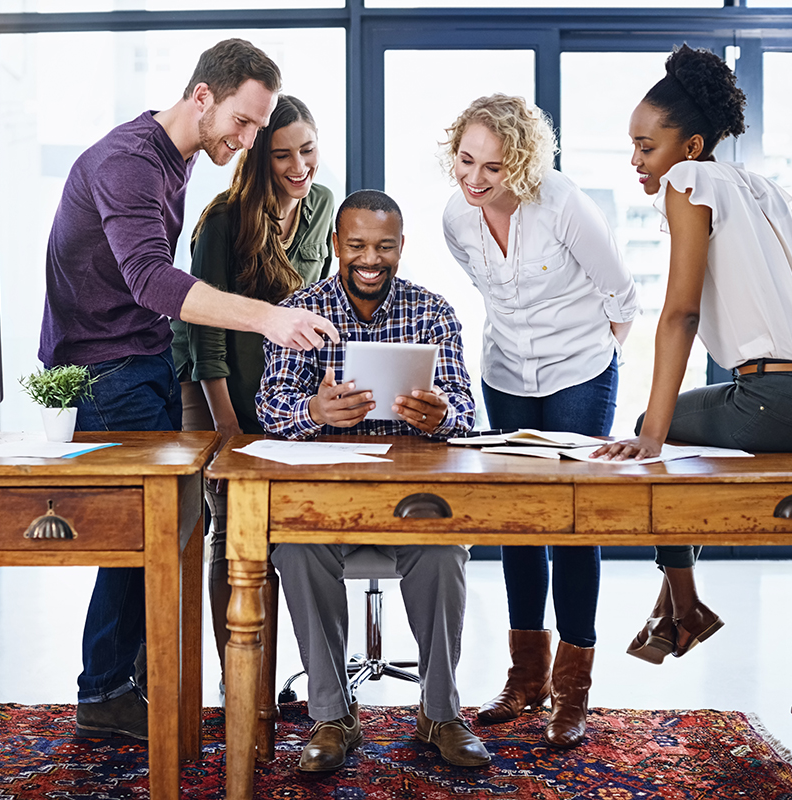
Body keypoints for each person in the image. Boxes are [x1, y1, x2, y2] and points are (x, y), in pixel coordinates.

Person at [38, 38, 339, 742]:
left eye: (258, 129)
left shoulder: (170, 159)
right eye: (243, 123)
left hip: (139, 361)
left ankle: (133, 684)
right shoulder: (127, 163)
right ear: (202, 96)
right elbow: (151, 280)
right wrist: (270, 319)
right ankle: (109, 691)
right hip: (107, 372)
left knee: (159, 538)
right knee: (142, 539)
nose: (247, 141)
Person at [591, 45, 792, 663]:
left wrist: (651, 434)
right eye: (632, 145)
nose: (636, 159)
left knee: (646, 433)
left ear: (688, 148)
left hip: (786, 399)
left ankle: (685, 607)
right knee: (676, 434)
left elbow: (681, 312)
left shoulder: (689, 183)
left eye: (646, 146)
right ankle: (673, 610)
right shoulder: (756, 184)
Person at [256, 189, 491, 771]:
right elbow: (270, 406)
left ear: (401, 248)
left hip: (408, 500)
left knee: (443, 551)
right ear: (336, 244)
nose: (370, 258)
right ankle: (332, 717)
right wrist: (314, 412)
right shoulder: (303, 311)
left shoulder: (432, 311)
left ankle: (440, 712)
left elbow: (466, 411)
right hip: (328, 500)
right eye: (357, 245)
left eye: (384, 247)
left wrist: (441, 417)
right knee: (294, 548)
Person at [440, 94, 638, 748]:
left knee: (574, 524)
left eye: (491, 167)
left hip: (580, 370)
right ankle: (526, 679)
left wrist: (596, 351)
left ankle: (573, 692)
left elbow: (620, 292)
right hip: (505, 374)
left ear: (521, 163)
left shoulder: (562, 204)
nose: (474, 178)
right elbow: (488, 293)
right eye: (466, 160)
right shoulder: (456, 220)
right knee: (520, 519)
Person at [171, 95, 335, 678]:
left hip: (287, 401)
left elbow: (322, 304)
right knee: (229, 533)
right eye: (283, 156)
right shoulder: (222, 222)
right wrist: (229, 430)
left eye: (308, 151)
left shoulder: (321, 206)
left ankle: (284, 670)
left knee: (283, 529)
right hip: (218, 392)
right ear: (259, 158)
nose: (299, 167)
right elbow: (205, 336)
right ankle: (238, 676)